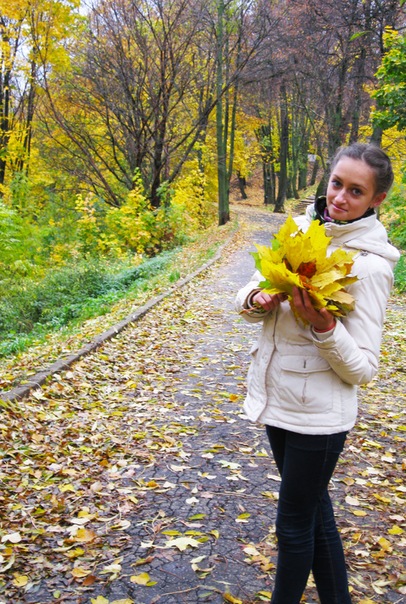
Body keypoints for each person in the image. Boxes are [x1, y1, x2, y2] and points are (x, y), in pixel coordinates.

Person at [235, 143, 400, 604]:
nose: (340, 197)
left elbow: (364, 369)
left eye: (356, 191)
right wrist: (257, 298)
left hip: (320, 418)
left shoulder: (369, 267)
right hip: (279, 398)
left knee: (292, 525)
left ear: (376, 199)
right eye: (336, 183)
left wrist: (325, 328)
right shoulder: (300, 232)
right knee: (315, 516)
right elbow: (247, 293)